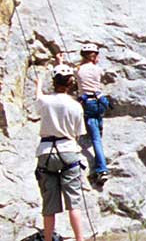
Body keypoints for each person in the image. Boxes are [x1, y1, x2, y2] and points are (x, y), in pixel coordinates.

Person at [34, 66, 92, 241]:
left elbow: (38, 100)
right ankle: (79, 239)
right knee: (73, 202)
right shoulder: (75, 106)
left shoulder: (44, 101)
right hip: (68, 150)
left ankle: (48, 239)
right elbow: (78, 132)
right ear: (70, 84)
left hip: (45, 152)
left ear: (54, 82)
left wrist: (38, 84)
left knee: (49, 204)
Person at [75, 46, 113, 176]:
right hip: (101, 101)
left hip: (88, 103)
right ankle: (99, 124)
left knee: (95, 139)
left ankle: (102, 169)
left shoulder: (78, 70)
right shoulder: (98, 69)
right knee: (98, 119)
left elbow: (71, 73)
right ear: (95, 56)